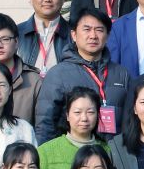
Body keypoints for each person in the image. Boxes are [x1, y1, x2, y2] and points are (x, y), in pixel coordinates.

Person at [33, 9, 134, 142]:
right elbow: (45, 124)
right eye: (87, 29)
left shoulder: (122, 73)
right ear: (74, 35)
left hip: (115, 152)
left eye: (99, 30)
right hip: (74, 152)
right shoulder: (58, 74)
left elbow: (132, 120)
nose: (93, 35)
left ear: (108, 36)